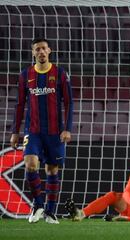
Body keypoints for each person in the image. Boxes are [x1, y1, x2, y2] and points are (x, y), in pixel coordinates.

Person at [10, 38, 73, 224]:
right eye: (37, 49)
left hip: (55, 132)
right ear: (33, 53)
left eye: (44, 48)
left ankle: (50, 212)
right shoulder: (25, 75)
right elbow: (20, 104)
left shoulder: (60, 74)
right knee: (30, 164)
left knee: (52, 170)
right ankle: (37, 204)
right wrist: (16, 131)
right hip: (33, 130)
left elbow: (69, 102)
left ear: (50, 50)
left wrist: (67, 129)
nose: (41, 52)